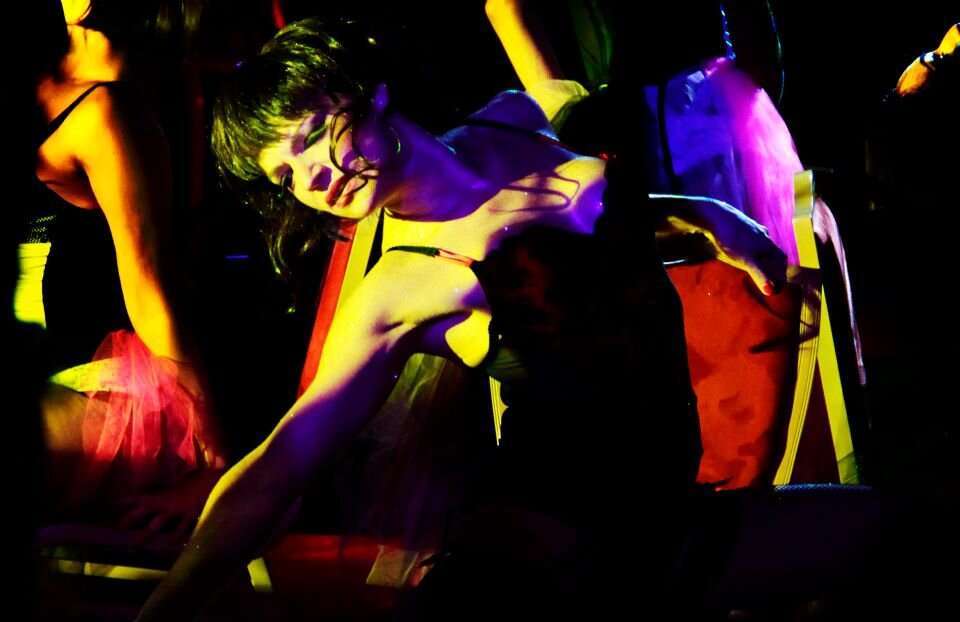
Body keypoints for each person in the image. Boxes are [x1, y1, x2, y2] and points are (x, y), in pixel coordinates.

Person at [136, 17, 785, 619]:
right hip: (555, 548)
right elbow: (285, 457)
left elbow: (594, 220)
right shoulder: (399, 288)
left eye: (310, 138)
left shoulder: (516, 119)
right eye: (286, 176)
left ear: (370, 91)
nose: (314, 179)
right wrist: (170, 599)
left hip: (668, 516)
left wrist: (702, 212)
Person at [22, 0, 223, 533]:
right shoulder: (59, 90)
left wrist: (215, 455)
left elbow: (151, 286)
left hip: (124, 389)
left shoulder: (105, 109)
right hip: (58, 364)